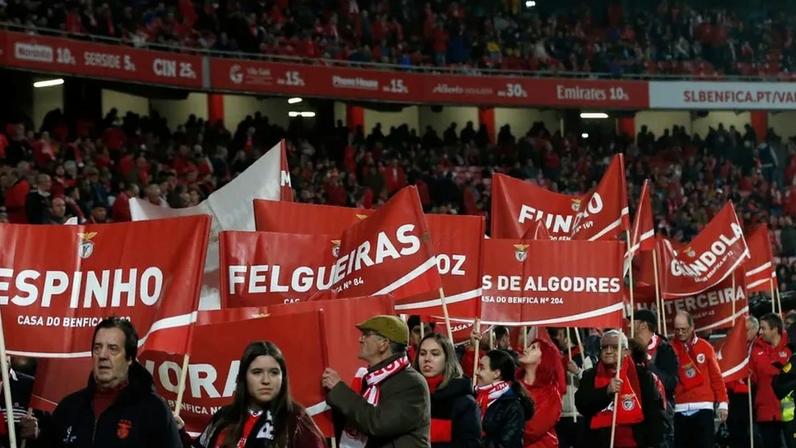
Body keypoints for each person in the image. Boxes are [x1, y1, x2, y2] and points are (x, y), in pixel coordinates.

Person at [36, 317, 181, 447]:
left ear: (129, 358)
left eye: (113, 349)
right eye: (97, 348)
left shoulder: (154, 410)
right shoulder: (69, 408)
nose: (103, 355)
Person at [188, 341, 326, 447]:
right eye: (257, 372)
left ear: (283, 378)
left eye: (274, 372)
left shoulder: (295, 420)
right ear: (244, 377)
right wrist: (179, 431)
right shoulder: (224, 417)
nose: (266, 380)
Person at [321, 315, 430, 447]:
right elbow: (357, 418)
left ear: (383, 344)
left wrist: (339, 390)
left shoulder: (411, 383)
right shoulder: (372, 380)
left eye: (366, 335)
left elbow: (378, 423)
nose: (360, 339)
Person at [575, 330, 664, 447]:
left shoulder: (642, 376)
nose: (608, 351)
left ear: (626, 351)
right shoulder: (590, 376)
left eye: (614, 347)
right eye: (605, 347)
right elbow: (581, 405)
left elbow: (655, 413)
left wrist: (654, 444)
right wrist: (605, 392)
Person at [671, 311, 728, 448]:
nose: (680, 333)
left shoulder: (705, 347)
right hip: (680, 408)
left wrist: (723, 403)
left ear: (692, 327)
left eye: (683, 329)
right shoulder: (670, 348)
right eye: (677, 329)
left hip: (704, 407)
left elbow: (716, 377)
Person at [414, 333, 480, 447]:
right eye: (422, 353)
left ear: (447, 358)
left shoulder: (464, 401)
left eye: (435, 354)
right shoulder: (407, 394)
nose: (427, 359)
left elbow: (470, 444)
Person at [633, 309, 678, 448]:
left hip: (659, 417)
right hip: (634, 416)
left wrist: (648, 367)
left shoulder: (664, 348)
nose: (629, 325)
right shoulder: (628, 348)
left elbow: (671, 382)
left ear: (643, 325)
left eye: (633, 322)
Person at [476, 349, 533, 448]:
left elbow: (505, 444)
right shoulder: (475, 397)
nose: (476, 372)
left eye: (482, 368)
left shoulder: (513, 407)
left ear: (497, 373)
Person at [752, 313, 791, 447]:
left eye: (763, 328)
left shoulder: (791, 348)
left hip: (789, 413)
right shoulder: (756, 350)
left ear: (774, 329)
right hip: (766, 412)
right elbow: (753, 377)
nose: (760, 332)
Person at [550, 327, 593, 448]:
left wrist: (578, 371)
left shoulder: (584, 357)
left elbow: (591, 384)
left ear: (569, 336)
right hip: (561, 417)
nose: (557, 338)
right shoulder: (558, 359)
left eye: (560, 334)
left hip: (578, 417)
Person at [518, 338, 564, 447]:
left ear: (542, 359)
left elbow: (532, 430)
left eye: (533, 348)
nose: (525, 350)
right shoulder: (512, 385)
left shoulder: (551, 394)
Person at [726, 316, 758, 448]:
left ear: (755, 329)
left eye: (746, 330)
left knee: (748, 431)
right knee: (735, 428)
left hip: (749, 392)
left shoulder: (758, 344)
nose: (743, 333)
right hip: (733, 392)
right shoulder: (737, 344)